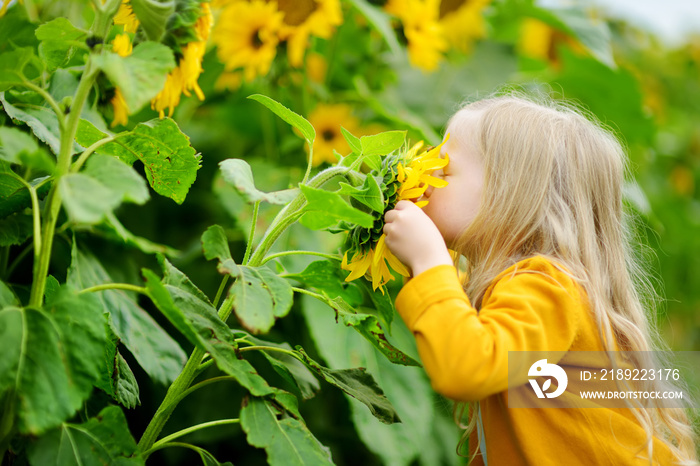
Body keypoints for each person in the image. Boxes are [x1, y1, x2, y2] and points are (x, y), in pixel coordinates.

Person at [382, 94, 699, 465]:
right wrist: (421, 263)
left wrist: (429, 260)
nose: (425, 177)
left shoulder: (546, 286)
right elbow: (449, 321)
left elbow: (465, 367)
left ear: (509, 196)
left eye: (445, 170)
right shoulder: (514, 288)